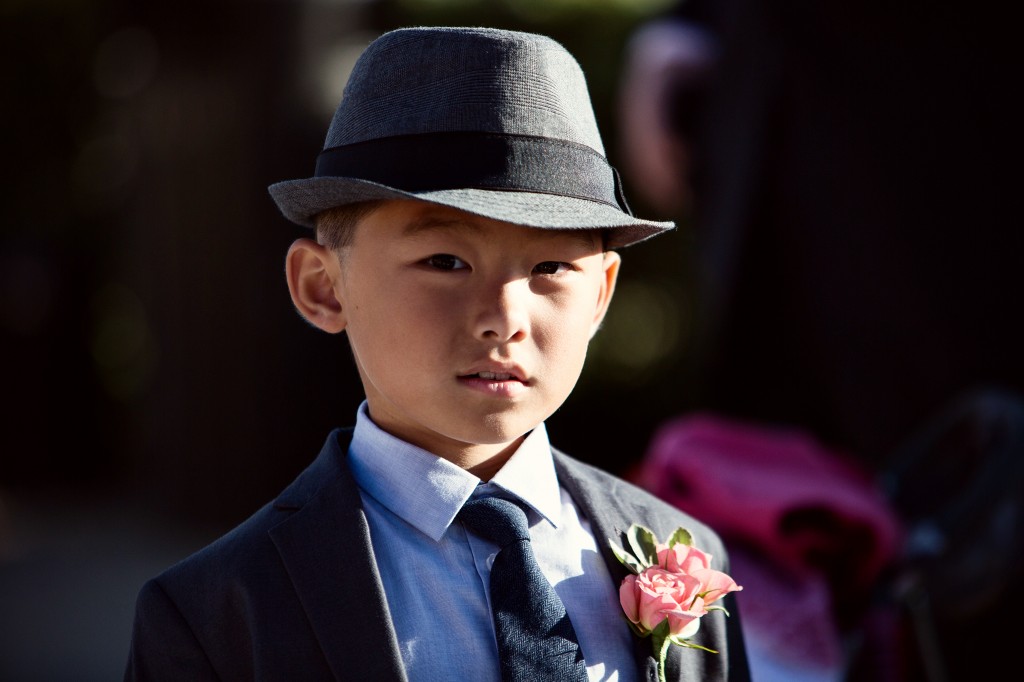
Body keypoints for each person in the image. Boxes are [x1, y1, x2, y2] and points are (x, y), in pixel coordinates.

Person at [122, 26, 750, 681]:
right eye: (445, 260)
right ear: (323, 287)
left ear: (601, 295)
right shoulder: (216, 612)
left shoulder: (684, 557)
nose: (504, 318)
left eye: (551, 267)